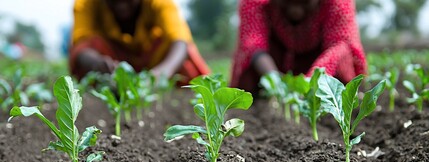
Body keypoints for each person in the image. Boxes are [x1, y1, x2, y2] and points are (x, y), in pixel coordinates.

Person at [231, 0, 367, 94]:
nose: (296, 9)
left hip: (321, 62)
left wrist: (309, 83)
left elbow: (339, 46)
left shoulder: (337, 3)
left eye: (304, 1)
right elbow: (253, 45)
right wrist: (277, 84)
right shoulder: (256, 3)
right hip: (274, 60)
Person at [70, 0, 210, 83]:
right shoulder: (87, 3)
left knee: (181, 54)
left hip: (153, 60)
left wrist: (161, 74)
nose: (122, 6)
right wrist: (97, 63)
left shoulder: (158, 3)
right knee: (91, 46)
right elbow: (81, 44)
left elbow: (180, 40)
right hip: (113, 61)